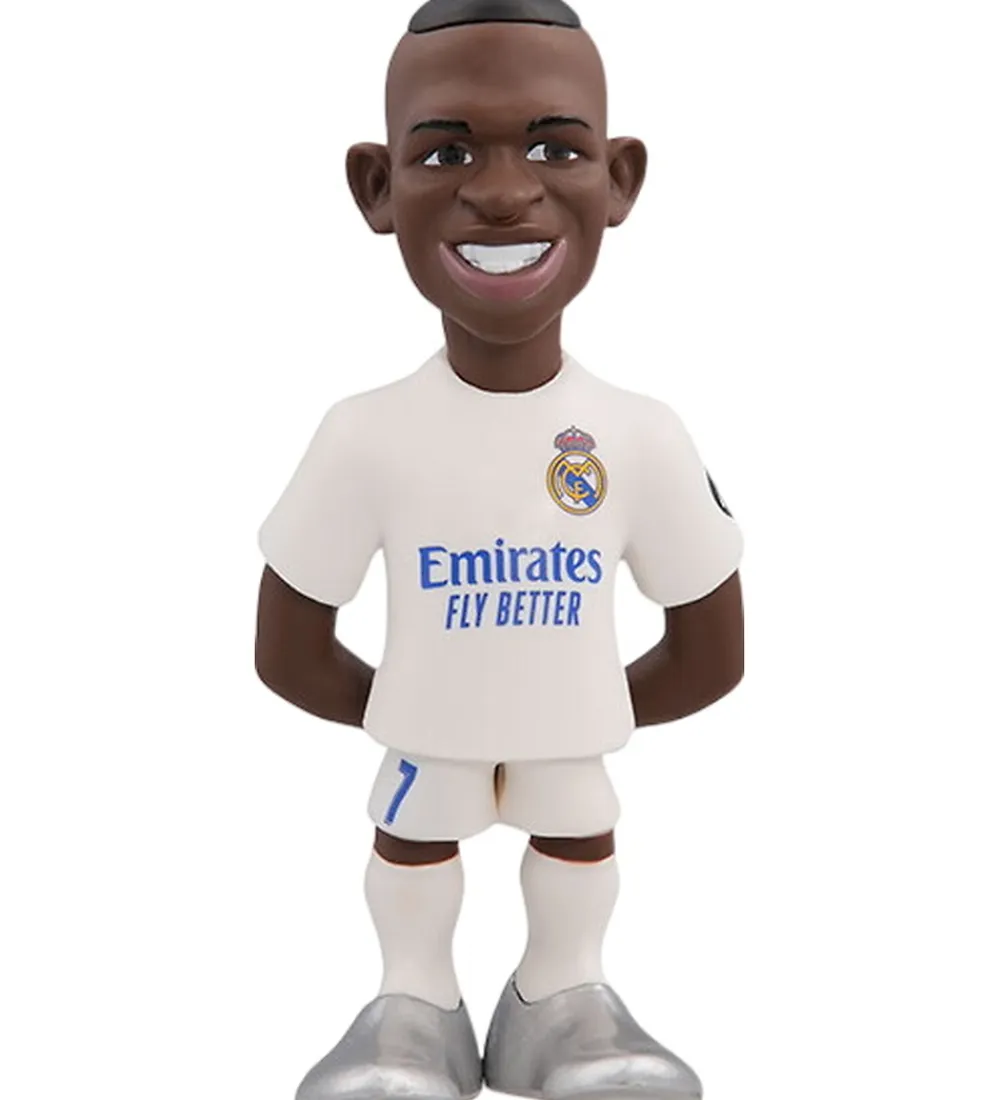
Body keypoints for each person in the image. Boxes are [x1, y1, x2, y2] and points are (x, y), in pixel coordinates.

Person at [255, 1, 745, 1098]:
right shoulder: (363, 435)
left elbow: (713, 648)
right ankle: (412, 1006)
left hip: (570, 744)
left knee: (576, 836)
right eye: (446, 152)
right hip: (423, 741)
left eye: (555, 148)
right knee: (414, 841)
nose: (504, 191)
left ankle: (562, 1002)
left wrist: (575, 707)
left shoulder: (641, 435)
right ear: (376, 186)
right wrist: (415, 706)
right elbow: (286, 645)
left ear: (619, 179)